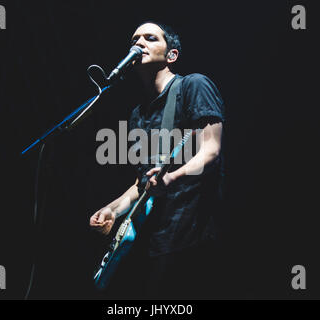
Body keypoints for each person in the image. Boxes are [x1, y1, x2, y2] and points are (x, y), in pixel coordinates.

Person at [89, 21, 225, 298]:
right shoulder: (138, 114)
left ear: (171, 55)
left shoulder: (193, 86)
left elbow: (211, 150)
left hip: (191, 236)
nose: (139, 42)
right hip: (151, 241)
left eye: (150, 38)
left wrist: (174, 176)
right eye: (135, 38)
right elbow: (142, 181)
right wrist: (112, 210)